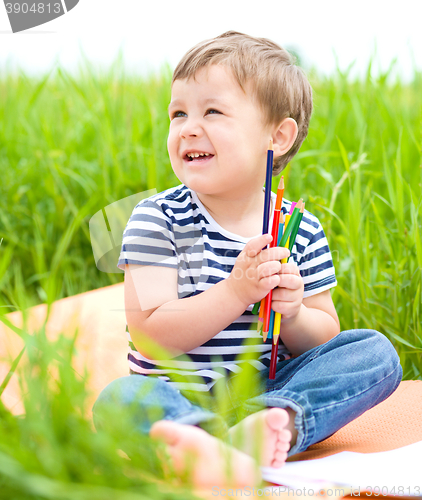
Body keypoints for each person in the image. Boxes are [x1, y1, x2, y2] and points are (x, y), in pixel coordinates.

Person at [93, 31, 402, 489]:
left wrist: (293, 313)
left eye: (212, 111)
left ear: (277, 136)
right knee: (120, 397)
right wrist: (236, 292)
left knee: (373, 352)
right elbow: (151, 332)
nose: (188, 127)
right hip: (176, 392)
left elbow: (323, 335)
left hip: (269, 387)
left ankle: (272, 423)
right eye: (178, 113)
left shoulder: (298, 227)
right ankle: (199, 438)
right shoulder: (156, 218)